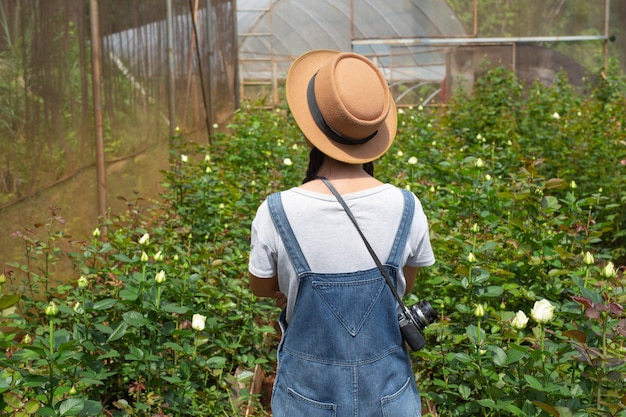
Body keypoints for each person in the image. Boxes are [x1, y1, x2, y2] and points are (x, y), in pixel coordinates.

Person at [248, 49, 435, 417]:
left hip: (307, 396)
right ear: (373, 134)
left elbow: (261, 287)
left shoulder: (276, 211)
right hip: (389, 395)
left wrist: (290, 291)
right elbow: (405, 286)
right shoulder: (406, 207)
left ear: (312, 131)